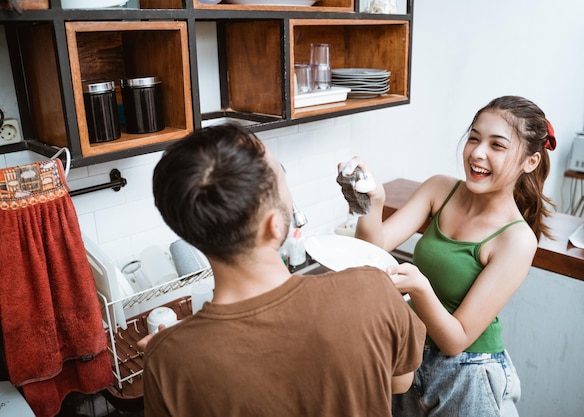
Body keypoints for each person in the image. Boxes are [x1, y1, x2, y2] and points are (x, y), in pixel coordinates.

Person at [143, 122, 427, 416]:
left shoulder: (167, 360)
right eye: (282, 178)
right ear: (274, 224)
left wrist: (173, 351)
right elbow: (400, 381)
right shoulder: (373, 291)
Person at [341, 96, 557, 417]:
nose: (477, 153)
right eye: (474, 137)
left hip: (469, 376)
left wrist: (419, 286)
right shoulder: (439, 189)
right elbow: (372, 250)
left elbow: (456, 340)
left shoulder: (517, 240)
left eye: (497, 146)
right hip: (411, 356)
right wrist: (370, 203)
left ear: (531, 162)